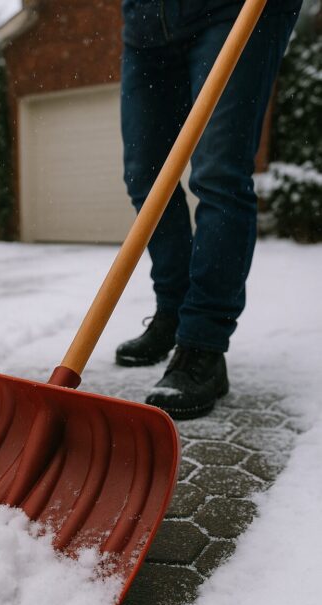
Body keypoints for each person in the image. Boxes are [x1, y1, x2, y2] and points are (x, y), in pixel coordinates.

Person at [116, 0, 302, 419]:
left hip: (232, 9)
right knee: (147, 179)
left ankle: (202, 343)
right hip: (146, 21)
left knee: (218, 174)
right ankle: (173, 311)